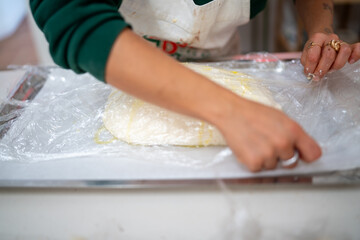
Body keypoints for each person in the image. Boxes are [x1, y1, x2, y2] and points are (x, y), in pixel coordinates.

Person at [29, 0, 359, 172]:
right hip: (112, 66)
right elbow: (71, 14)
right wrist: (230, 110)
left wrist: (321, 27)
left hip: (220, 59)